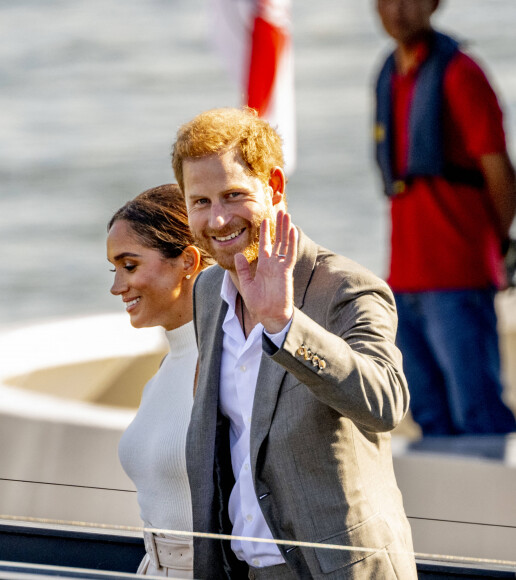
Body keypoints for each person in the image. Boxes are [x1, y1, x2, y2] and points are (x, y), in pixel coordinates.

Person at [171, 107, 417, 579]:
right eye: (200, 201)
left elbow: (387, 403)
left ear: (275, 187)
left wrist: (284, 324)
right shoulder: (207, 292)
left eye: (234, 195)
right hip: (244, 569)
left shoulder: (346, 287)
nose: (218, 219)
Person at [373, 0, 516, 435]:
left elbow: (501, 176)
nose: (396, 11)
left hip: (457, 278)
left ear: (434, 4)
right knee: (429, 414)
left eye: (408, 0)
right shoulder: (390, 75)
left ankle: (499, 505)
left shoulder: (461, 74)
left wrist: (493, 250)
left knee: (479, 412)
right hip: (403, 279)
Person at [107, 184, 211, 578]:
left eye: (129, 266)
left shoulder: (232, 367)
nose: (117, 287)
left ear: (187, 260)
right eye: (113, 269)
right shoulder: (164, 372)